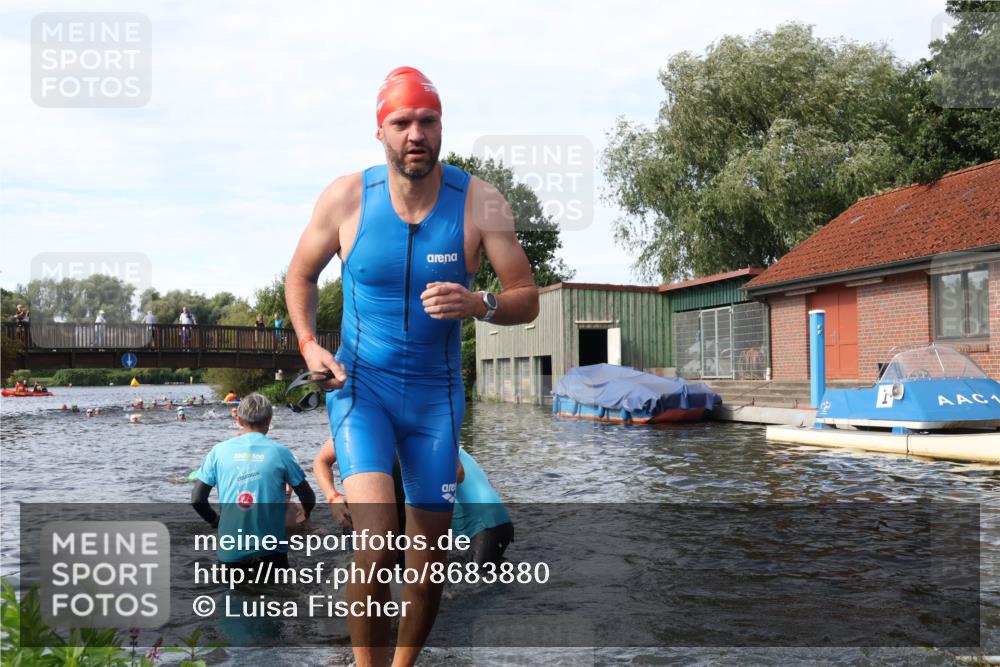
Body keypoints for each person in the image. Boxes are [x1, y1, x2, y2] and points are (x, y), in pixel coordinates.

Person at [285, 66, 538, 666]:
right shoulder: (347, 197)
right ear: (381, 132)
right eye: (402, 122)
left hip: (436, 400)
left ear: (441, 127)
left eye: (427, 120)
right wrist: (306, 344)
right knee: (374, 546)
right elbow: (300, 274)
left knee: (428, 561)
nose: (415, 133)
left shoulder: (480, 202)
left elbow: (526, 294)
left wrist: (481, 303)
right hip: (359, 390)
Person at [314, 439, 512, 566]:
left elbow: (458, 474)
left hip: (485, 524)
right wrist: (334, 497)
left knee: (476, 585)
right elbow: (321, 460)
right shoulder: (356, 430)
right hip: (487, 520)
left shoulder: (426, 436)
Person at [190, 393, 316, 574]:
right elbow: (307, 496)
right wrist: (306, 513)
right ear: (269, 421)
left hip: (231, 552)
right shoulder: (281, 453)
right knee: (278, 600)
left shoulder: (218, 451)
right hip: (271, 552)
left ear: (239, 420)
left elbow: (197, 500)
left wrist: (215, 521)